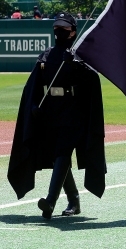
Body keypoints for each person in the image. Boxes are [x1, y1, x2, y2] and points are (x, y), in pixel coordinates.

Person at [8, 13, 106, 219]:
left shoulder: (80, 56)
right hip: (50, 112)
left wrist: (76, 64)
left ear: (73, 32)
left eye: (64, 28)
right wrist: (33, 104)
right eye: (57, 28)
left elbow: (92, 80)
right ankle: (74, 199)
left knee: (62, 153)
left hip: (73, 112)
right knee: (56, 157)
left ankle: (50, 201)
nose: (59, 31)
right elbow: (32, 85)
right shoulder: (46, 55)